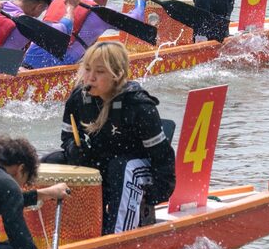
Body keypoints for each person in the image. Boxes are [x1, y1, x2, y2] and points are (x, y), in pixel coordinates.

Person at [43, 41, 175, 235]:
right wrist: (74, 150)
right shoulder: (78, 98)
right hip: (101, 162)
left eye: (100, 72)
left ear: (117, 75)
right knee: (50, 162)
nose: (90, 78)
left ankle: (119, 235)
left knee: (121, 167)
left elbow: (162, 158)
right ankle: (51, 233)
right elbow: (67, 137)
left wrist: (155, 195)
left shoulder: (139, 106)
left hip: (135, 168)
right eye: (87, 69)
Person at [22, 0, 151, 69]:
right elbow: (136, 19)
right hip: (57, 66)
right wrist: (140, 0)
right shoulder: (104, 14)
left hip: (27, 59)